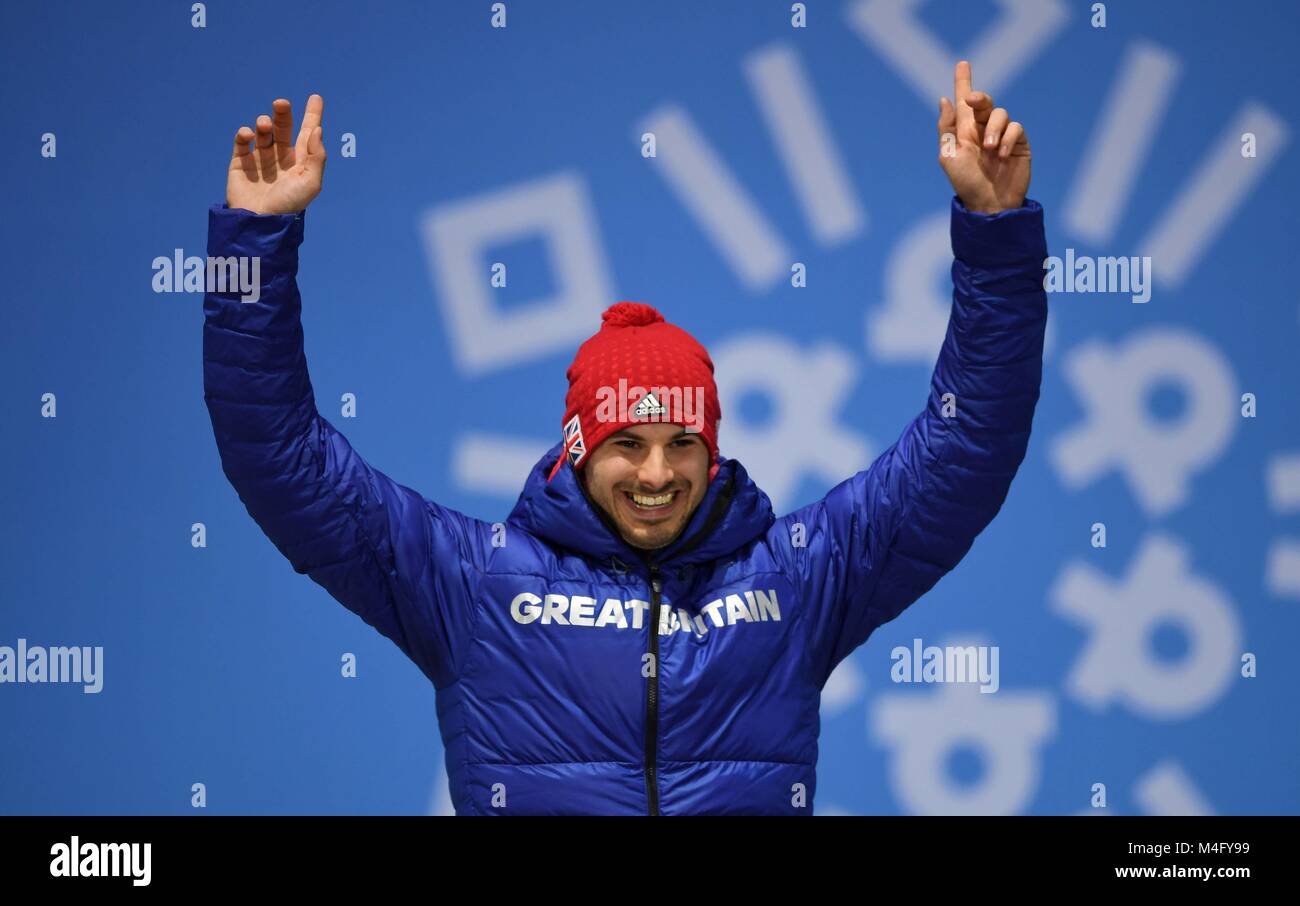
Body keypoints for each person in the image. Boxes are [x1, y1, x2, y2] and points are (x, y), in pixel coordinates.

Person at [203, 61, 1046, 815]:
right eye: (627, 443)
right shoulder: (474, 586)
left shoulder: (796, 580)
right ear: (577, 449)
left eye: (683, 442)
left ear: (713, 452)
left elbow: (964, 451)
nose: (657, 472)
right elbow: (281, 457)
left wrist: (996, 235)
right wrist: (254, 247)